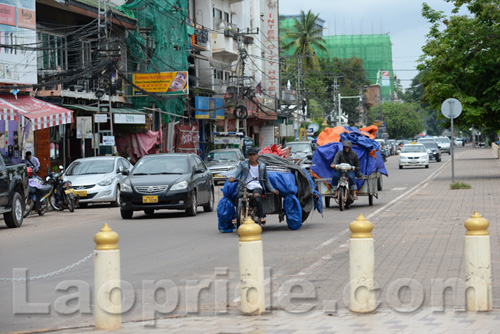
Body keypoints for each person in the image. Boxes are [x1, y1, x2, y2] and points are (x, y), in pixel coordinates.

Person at [228, 147, 279, 224]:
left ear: (257, 156)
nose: (252, 156)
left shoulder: (262, 165)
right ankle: (237, 216)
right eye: (250, 155)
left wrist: (272, 190)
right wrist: (232, 177)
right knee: (238, 196)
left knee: (257, 196)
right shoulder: (243, 165)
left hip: (257, 185)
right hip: (245, 185)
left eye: (254, 155)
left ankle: (262, 216)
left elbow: (266, 179)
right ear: (247, 156)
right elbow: (237, 172)